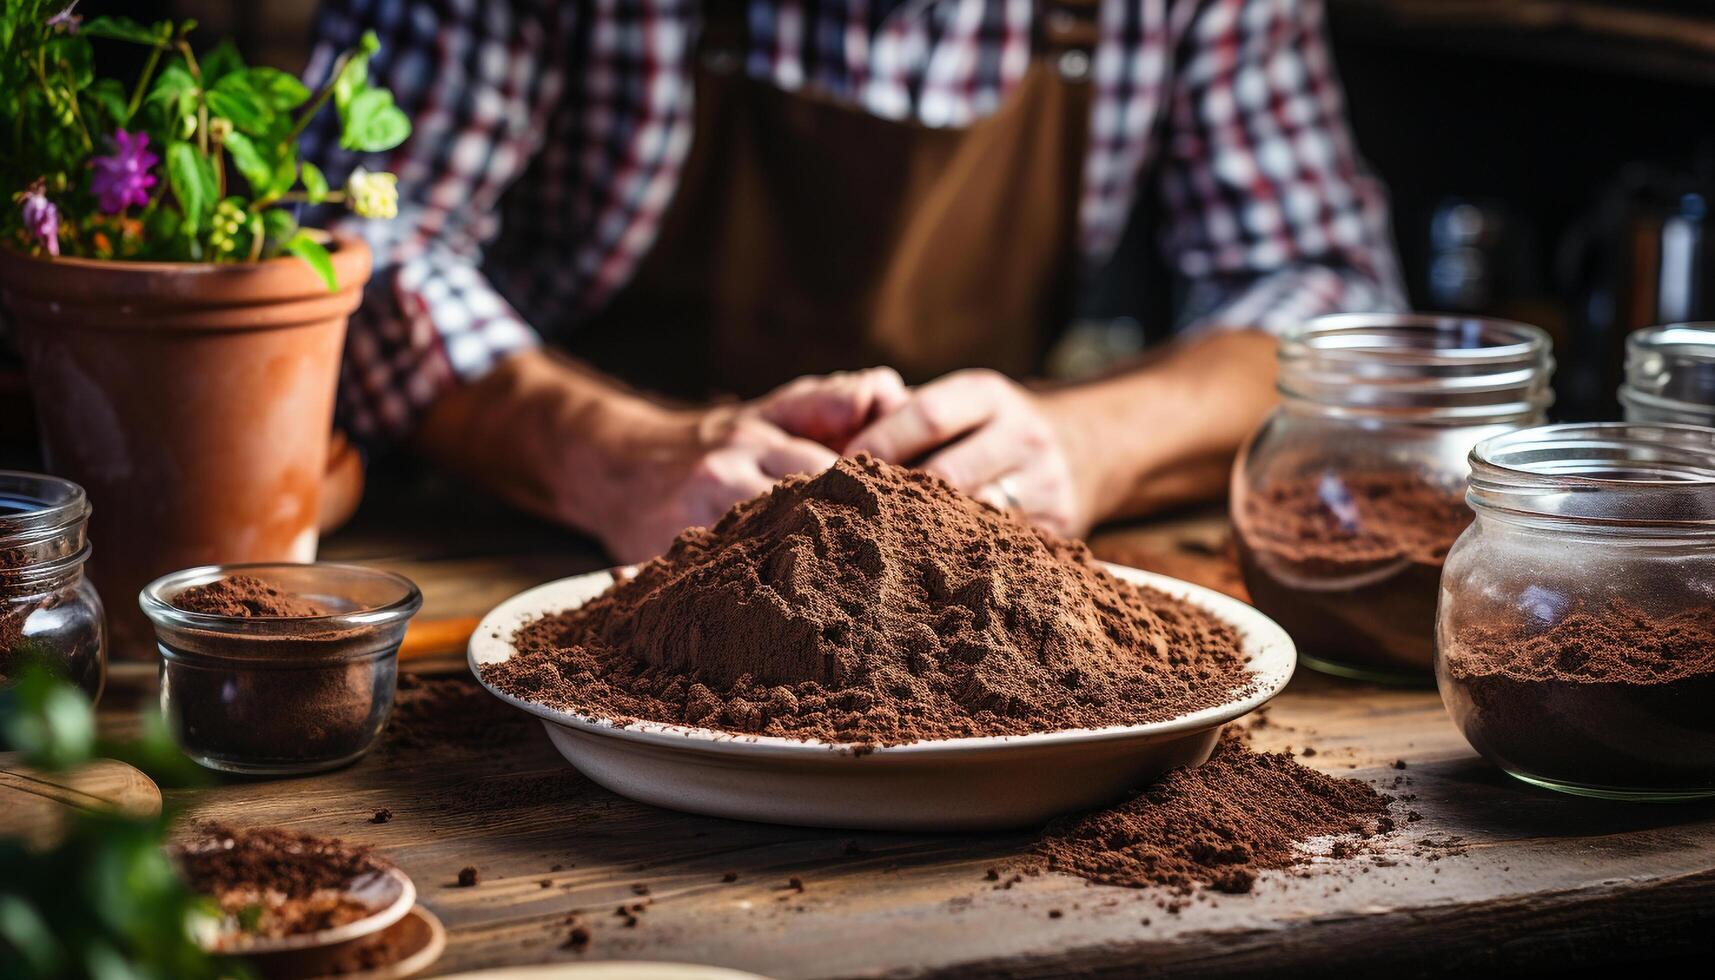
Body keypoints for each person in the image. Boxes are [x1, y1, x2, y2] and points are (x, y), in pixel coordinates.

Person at [303, 0, 1403, 562]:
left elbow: (1325, 291)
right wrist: (615, 457)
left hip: (1000, 559)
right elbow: (350, 240)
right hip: (538, 552)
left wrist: (1086, 445)